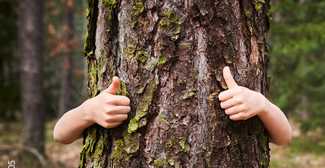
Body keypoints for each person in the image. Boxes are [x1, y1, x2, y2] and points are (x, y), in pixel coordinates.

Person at [53, 66, 292, 146]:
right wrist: (87, 111)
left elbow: (283, 137)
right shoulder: (104, 96)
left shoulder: (249, 101)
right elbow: (60, 135)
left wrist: (263, 105)